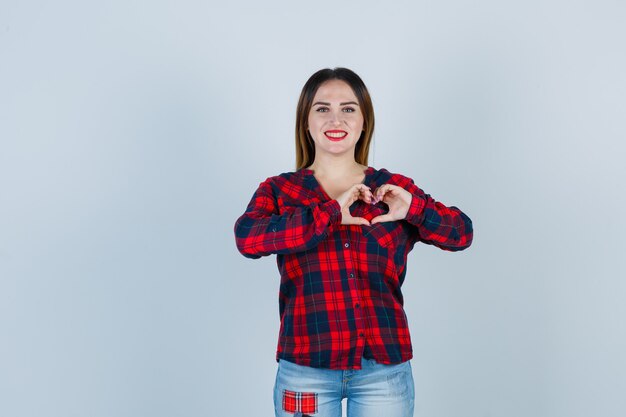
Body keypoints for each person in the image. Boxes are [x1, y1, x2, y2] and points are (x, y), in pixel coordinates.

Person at [233, 67, 473, 417]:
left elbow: (461, 234)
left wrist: (415, 209)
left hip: (383, 373)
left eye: (348, 109)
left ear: (364, 121)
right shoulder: (280, 190)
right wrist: (329, 213)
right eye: (322, 108)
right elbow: (248, 239)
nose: (336, 118)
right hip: (305, 371)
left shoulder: (392, 188)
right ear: (306, 121)